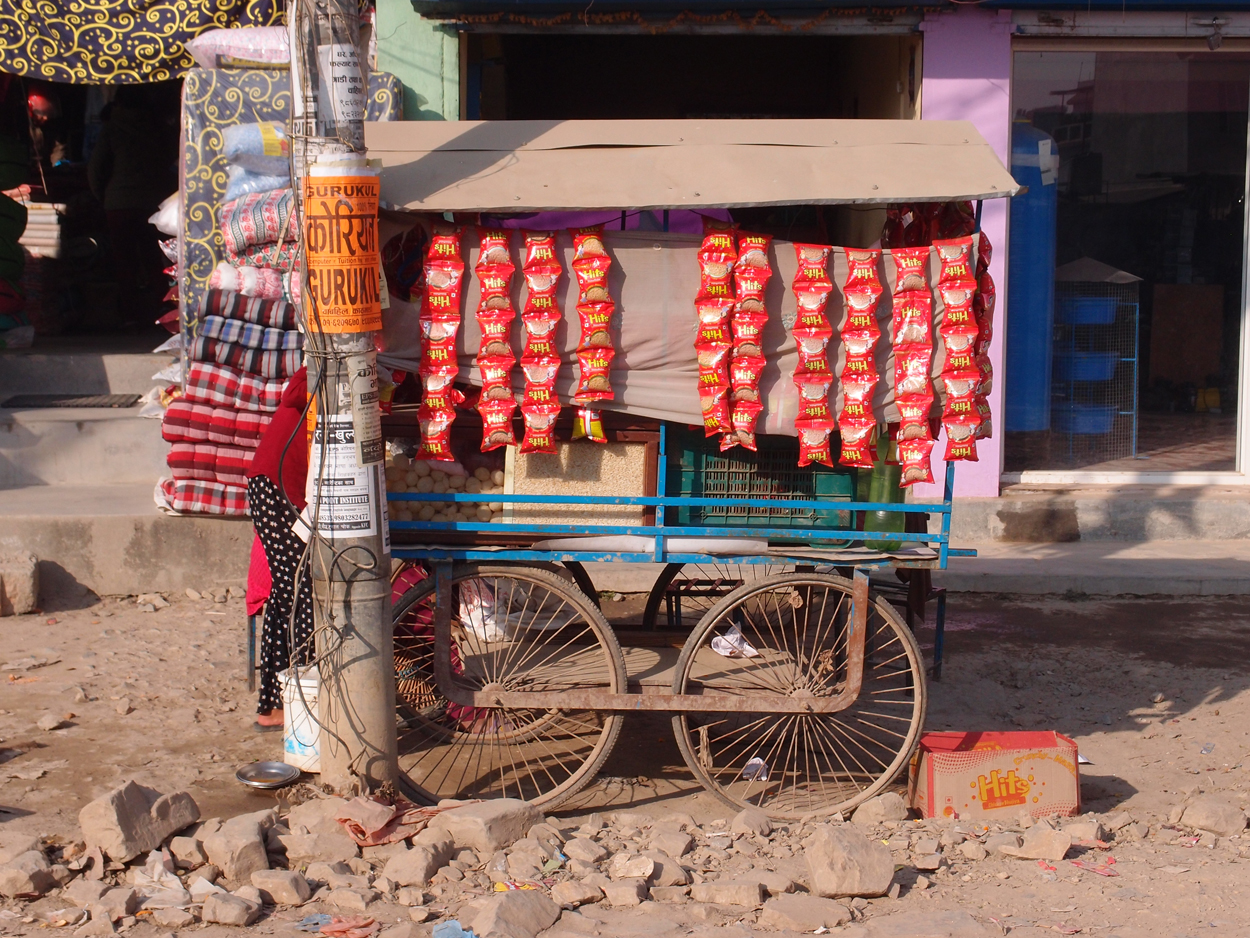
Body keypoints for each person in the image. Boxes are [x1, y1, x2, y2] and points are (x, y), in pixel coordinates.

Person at [245, 365, 312, 730]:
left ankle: (278, 701)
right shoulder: (310, 380)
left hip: (285, 489)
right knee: (296, 591)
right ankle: (277, 704)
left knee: (291, 592)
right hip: (275, 486)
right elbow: (296, 390)